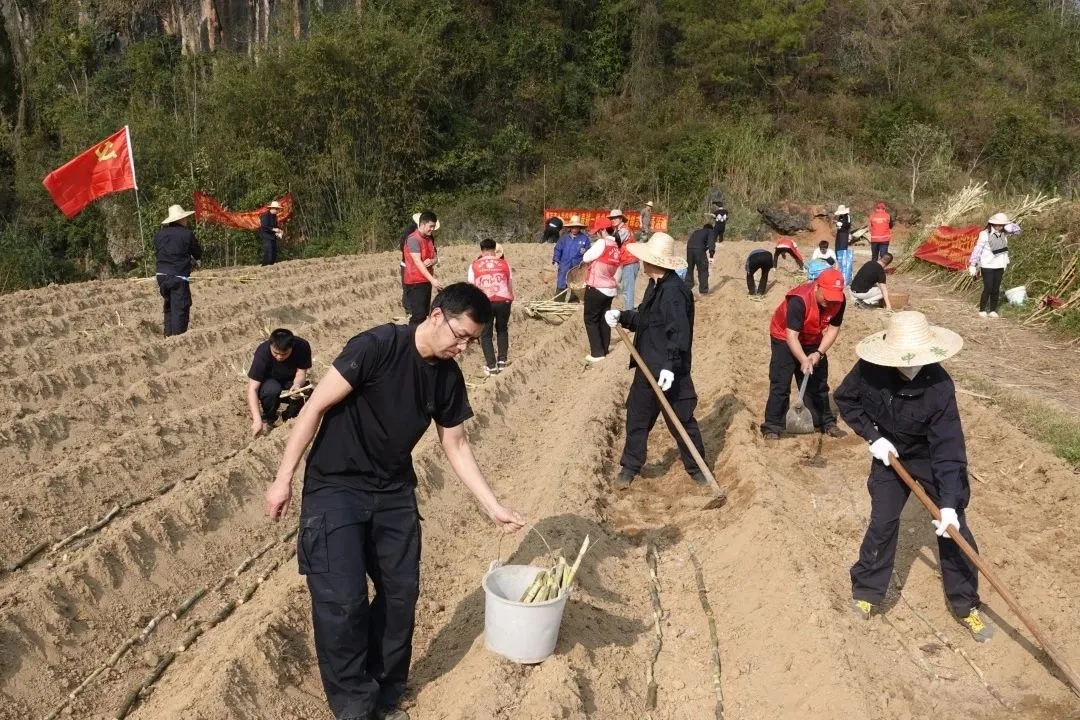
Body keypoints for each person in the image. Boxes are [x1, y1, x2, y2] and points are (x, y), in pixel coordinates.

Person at [265, 283, 525, 720]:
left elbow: (456, 445)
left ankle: (385, 693)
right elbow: (314, 409)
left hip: (393, 491)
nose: (463, 348)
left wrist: (492, 505)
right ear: (437, 315)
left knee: (401, 594)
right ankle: (354, 707)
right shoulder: (377, 346)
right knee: (342, 601)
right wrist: (283, 478)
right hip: (336, 486)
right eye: (460, 335)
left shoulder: (447, 376)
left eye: (472, 342)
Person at [834, 311, 991, 642]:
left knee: (953, 530)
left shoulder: (939, 388)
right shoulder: (870, 369)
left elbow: (949, 451)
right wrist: (872, 437)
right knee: (883, 522)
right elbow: (845, 399)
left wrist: (948, 505)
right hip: (889, 453)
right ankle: (866, 592)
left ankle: (966, 605)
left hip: (931, 458)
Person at [603, 233, 707, 490]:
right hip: (646, 365)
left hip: (670, 371)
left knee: (681, 420)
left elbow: (679, 334)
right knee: (637, 417)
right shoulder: (655, 286)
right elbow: (647, 320)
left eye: (644, 259)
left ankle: (699, 471)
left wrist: (670, 369)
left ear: (654, 262)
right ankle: (630, 467)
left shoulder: (674, 293)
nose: (641, 263)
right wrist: (624, 317)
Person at [760, 268, 848, 439]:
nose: (829, 302)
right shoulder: (799, 300)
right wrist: (802, 359)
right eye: (826, 297)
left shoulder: (839, 301)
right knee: (781, 381)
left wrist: (818, 353)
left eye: (833, 298)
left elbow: (833, 329)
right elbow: (792, 335)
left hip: (812, 337)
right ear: (817, 287)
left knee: (818, 382)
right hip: (784, 337)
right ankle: (772, 425)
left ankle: (824, 421)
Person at [247, 328, 313, 438]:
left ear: (292, 347)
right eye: (276, 353)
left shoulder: (302, 347)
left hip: (290, 380)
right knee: (272, 390)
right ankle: (268, 418)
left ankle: (288, 419)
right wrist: (257, 420)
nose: (279, 357)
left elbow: (301, 373)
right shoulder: (262, 352)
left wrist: (297, 385)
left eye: (284, 354)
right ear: (270, 345)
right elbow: (252, 388)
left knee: (305, 394)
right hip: (269, 382)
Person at [154, 204, 203, 337]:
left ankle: (168, 336)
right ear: (180, 219)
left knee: (169, 306)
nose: (186, 220)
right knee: (180, 308)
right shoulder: (186, 234)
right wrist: (195, 261)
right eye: (185, 218)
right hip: (177, 277)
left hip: (161, 276)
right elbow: (197, 252)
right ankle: (177, 339)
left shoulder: (159, 235)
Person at [468, 238, 514, 375]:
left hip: (485, 301)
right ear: (495, 250)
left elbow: (471, 287)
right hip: (503, 300)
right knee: (502, 329)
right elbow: (509, 284)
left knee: (486, 334)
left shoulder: (474, 265)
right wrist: (509, 298)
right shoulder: (504, 264)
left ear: (481, 251)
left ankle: (491, 366)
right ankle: (502, 362)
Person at [582, 216, 621, 362]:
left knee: (590, 319)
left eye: (598, 231)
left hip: (597, 286)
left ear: (603, 230)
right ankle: (604, 349)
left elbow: (586, 257)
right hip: (609, 288)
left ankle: (597, 353)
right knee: (604, 319)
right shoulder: (615, 246)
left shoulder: (602, 243)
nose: (597, 234)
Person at [968, 212, 1012, 319]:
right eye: (996, 224)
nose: (998, 227)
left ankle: (993, 310)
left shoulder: (1004, 233)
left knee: (995, 289)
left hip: (1000, 265)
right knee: (988, 287)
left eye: (1001, 225)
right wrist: (973, 264)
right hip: (987, 264)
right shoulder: (984, 234)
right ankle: (982, 309)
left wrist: (1009, 226)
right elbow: (978, 249)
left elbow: (1017, 230)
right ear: (991, 224)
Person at [402, 210, 442, 326]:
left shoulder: (429, 239)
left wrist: (432, 261)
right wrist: (432, 280)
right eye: (431, 226)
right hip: (415, 282)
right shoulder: (413, 239)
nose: (432, 229)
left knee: (424, 314)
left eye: (433, 226)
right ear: (423, 224)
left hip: (425, 281)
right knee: (418, 315)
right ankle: (410, 340)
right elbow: (418, 262)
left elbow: (435, 257)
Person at [552, 215, 590, 301]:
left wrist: (586, 252)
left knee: (575, 286)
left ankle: (573, 303)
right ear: (570, 227)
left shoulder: (584, 238)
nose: (574, 229)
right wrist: (556, 261)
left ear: (579, 227)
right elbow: (557, 249)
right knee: (561, 284)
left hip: (577, 267)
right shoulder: (564, 238)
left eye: (576, 227)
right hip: (564, 265)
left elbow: (589, 251)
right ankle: (558, 303)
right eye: (573, 227)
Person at [609, 208, 639, 309]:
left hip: (630, 262)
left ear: (621, 218)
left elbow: (615, 240)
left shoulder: (624, 230)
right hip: (623, 262)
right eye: (612, 218)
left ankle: (629, 313)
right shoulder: (617, 230)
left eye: (616, 217)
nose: (613, 219)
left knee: (628, 290)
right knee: (614, 283)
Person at [685, 220, 715, 295]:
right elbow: (711, 243)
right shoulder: (710, 231)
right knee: (703, 270)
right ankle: (703, 291)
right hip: (699, 251)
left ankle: (687, 288)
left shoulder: (696, 232)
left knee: (689, 269)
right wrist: (711, 255)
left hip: (689, 249)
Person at [259, 200, 284, 266]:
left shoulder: (275, 216)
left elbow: (275, 226)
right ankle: (264, 267)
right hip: (266, 237)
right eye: (276, 209)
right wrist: (274, 229)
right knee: (269, 253)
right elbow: (264, 227)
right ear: (272, 208)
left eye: (278, 209)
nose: (277, 210)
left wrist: (279, 231)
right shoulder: (265, 216)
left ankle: (271, 268)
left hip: (273, 237)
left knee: (274, 253)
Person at [834, 204, 854, 284]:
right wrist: (837, 224)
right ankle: (838, 261)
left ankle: (843, 264)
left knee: (842, 248)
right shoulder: (841, 216)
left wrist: (841, 224)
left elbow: (847, 225)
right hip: (839, 233)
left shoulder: (847, 217)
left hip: (844, 234)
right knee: (837, 248)